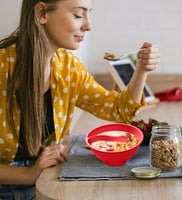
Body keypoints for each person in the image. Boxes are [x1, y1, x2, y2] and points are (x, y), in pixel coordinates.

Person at [0, 0, 160, 199]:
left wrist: (141, 71)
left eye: (88, 14)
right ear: (42, 13)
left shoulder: (69, 68)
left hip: (43, 183)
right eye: (78, 15)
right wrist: (28, 174)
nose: (88, 25)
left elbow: (119, 110)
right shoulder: (2, 65)